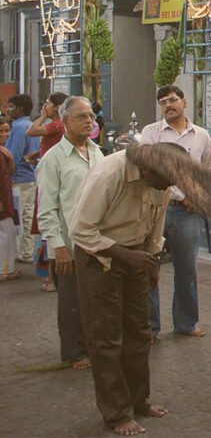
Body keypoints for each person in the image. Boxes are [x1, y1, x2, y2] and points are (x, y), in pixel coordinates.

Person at [69, 144, 183, 436]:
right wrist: (126, 255)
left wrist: (151, 261)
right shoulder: (109, 174)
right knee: (106, 337)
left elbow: (155, 227)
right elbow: (80, 230)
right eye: (163, 182)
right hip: (99, 255)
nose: (167, 188)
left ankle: (138, 399)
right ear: (146, 169)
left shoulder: (163, 178)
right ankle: (117, 413)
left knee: (139, 332)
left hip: (137, 255)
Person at [139, 85, 211, 339]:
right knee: (150, 268)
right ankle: (150, 327)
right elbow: (150, 171)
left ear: (184, 103)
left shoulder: (201, 136)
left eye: (172, 100)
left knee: (187, 269)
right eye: (163, 102)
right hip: (156, 210)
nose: (168, 105)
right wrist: (183, 197)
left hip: (188, 214)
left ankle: (186, 323)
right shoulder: (150, 134)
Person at [35, 96, 102, 370]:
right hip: (68, 244)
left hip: (96, 242)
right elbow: (47, 208)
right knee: (71, 300)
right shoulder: (53, 160)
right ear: (65, 122)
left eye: (91, 117)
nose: (89, 121)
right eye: (82, 117)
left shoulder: (97, 152)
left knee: (94, 299)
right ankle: (73, 352)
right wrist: (58, 246)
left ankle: (92, 345)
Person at [26, 92, 68, 292]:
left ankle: (51, 278)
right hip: (48, 173)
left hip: (51, 180)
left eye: (48, 104)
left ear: (58, 107)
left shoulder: (57, 125)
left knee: (49, 223)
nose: (45, 106)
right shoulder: (59, 127)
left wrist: (42, 116)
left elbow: (32, 132)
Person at [5, 94, 40, 264]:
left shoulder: (19, 128)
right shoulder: (30, 125)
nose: (7, 110)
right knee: (27, 215)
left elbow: (13, 155)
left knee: (17, 217)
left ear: (20, 109)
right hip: (30, 176)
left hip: (18, 178)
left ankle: (20, 252)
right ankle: (27, 252)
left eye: (10, 106)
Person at [0, 117, 20, 281]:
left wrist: (10, 158)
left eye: (7, 131)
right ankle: (4, 270)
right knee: (5, 235)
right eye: (1, 131)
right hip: (2, 202)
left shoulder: (3, 152)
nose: (5, 134)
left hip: (6, 199)